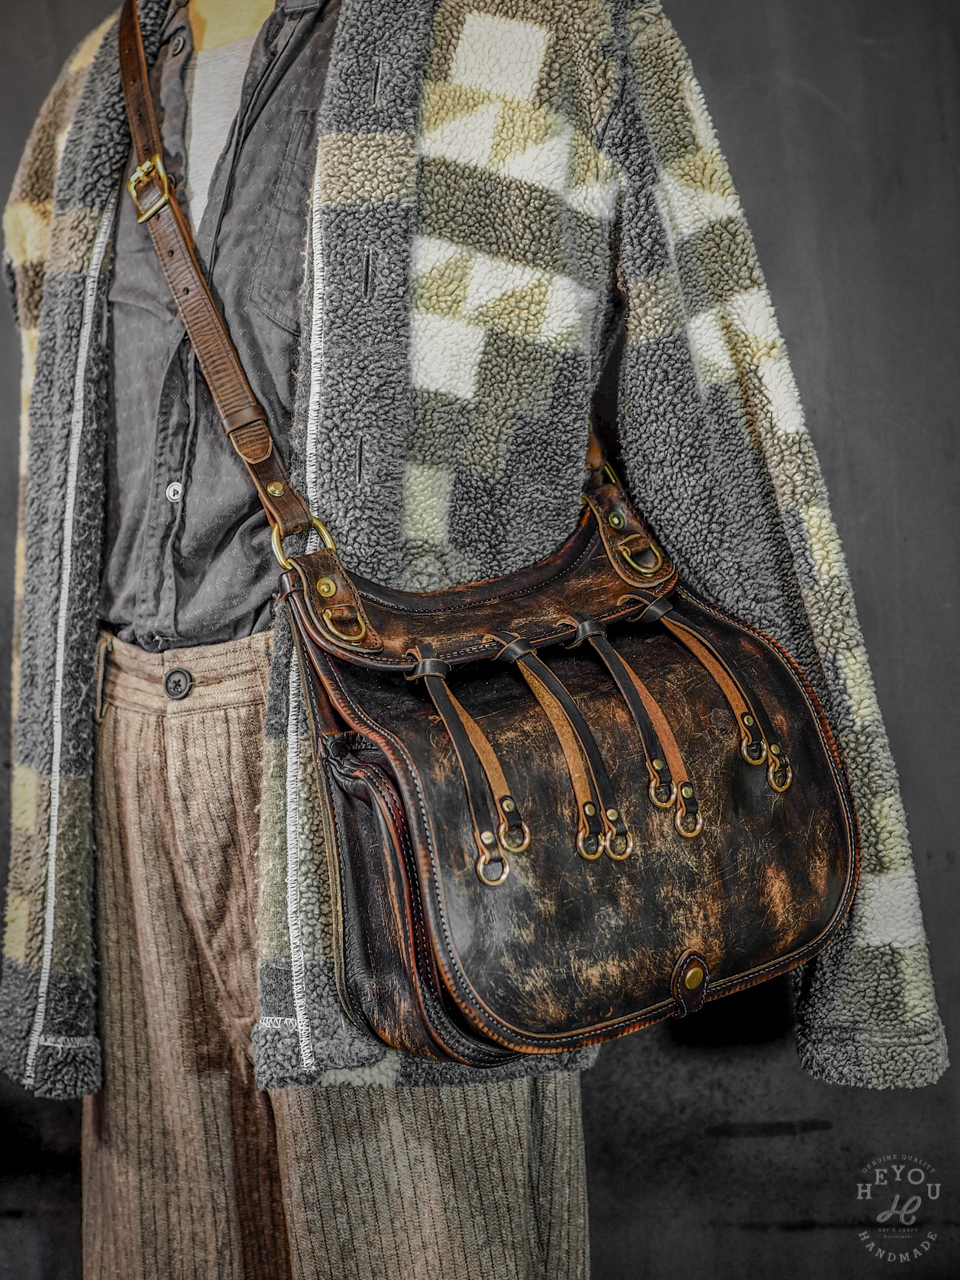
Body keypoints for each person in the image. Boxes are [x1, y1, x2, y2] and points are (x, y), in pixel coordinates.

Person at [0, 1, 947, 1277]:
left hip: (414, 782)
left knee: (437, 1243)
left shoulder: (551, 35)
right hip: (124, 764)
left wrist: (840, 903)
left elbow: (719, 424)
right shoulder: (85, 100)